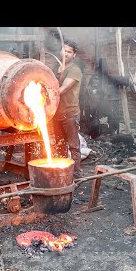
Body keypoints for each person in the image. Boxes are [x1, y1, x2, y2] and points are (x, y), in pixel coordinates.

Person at [52, 38, 83, 178]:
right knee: (59, 145)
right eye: (64, 50)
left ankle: (75, 174)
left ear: (74, 55)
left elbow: (61, 89)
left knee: (73, 146)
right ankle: (62, 171)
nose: (66, 54)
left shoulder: (75, 70)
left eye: (69, 52)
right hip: (56, 114)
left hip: (70, 114)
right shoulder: (55, 68)